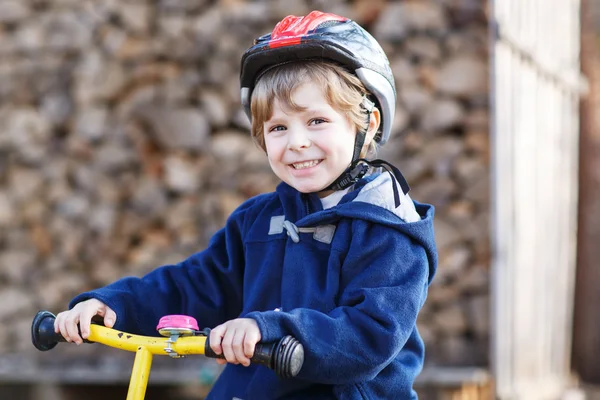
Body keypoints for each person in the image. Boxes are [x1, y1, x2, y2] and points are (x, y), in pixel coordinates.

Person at [54, 11, 437, 399]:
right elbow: (195, 285)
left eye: (317, 121)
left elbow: (369, 335)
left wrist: (269, 329)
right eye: (278, 128)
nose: (297, 142)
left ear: (367, 124)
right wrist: (113, 304)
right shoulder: (258, 221)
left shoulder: (389, 230)